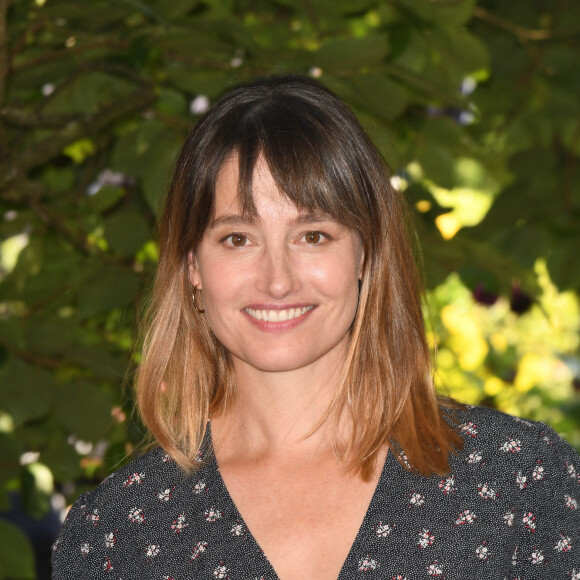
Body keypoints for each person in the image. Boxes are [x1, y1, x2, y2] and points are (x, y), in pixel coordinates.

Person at [52, 75, 579, 580]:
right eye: (238, 238)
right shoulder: (115, 538)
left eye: (313, 236)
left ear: (365, 254)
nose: (276, 281)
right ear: (192, 265)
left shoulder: (522, 486)